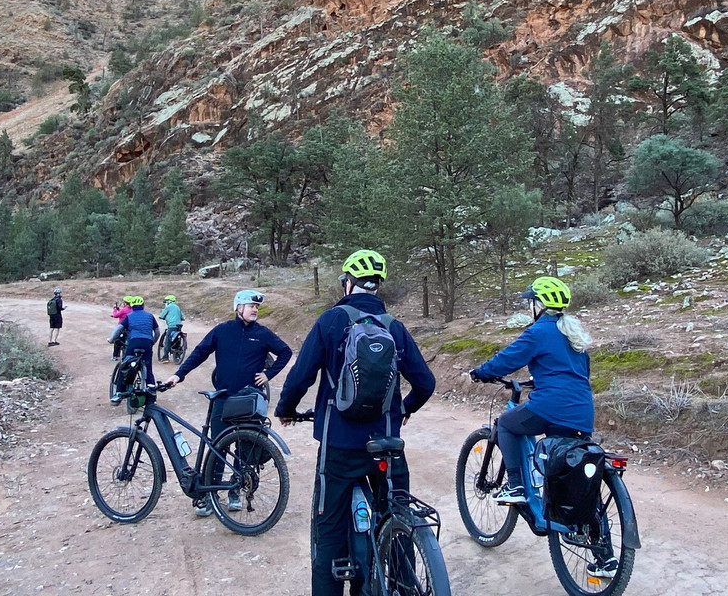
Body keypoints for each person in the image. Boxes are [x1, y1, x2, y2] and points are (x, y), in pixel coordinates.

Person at [275, 250, 436, 596]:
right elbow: (426, 383)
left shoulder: (331, 321)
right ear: (378, 286)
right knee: (396, 513)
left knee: (328, 531)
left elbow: (300, 376)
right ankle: (403, 585)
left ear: (348, 283)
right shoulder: (394, 327)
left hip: (340, 446)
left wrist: (286, 409)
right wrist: (403, 410)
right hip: (387, 443)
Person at [165, 288, 292, 515]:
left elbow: (285, 352)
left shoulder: (262, 334)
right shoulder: (222, 331)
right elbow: (200, 353)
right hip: (223, 399)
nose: (255, 310)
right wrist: (179, 374)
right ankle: (208, 495)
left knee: (246, 449)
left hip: (249, 400)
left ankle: (236, 491)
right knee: (217, 448)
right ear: (238, 307)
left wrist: (268, 375)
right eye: (251, 306)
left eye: (256, 307)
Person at [468, 276, 594, 500]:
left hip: (551, 408)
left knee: (506, 423)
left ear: (539, 305)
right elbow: (577, 373)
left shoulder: (539, 331)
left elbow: (508, 359)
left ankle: (516, 486)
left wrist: (481, 373)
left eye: (531, 302)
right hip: (583, 413)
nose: (530, 307)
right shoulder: (574, 334)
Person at [107, 296, 160, 386]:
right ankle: (152, 396)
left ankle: (119, 392)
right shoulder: (150, 316)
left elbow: (118, 329)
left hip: (134, 342)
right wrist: (152, 342)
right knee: (148, 369)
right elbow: (157, 332)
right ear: (143, 305)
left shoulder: (129, 316)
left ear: (132, 306)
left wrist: (112, 339)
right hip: (147, 343)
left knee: (125, 366)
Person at [157, 294, 184, 363]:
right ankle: (177, 355)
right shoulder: (177, 307)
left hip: (171, 326)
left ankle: (165, 357)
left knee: (167, 341)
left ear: (168, 301)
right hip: (179, 326)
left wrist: (162, 317)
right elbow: (182, 317)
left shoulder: (168, 307)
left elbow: (161, 315)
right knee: (177, 339)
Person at [109, 296, 133, 361]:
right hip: (130, 328)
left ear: (126, 303)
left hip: (122, 327)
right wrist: (119, 309)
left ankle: (115, 355)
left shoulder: (124, 310)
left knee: (117, 341)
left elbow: (116, 315)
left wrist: (115, 309)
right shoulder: (132, 309)